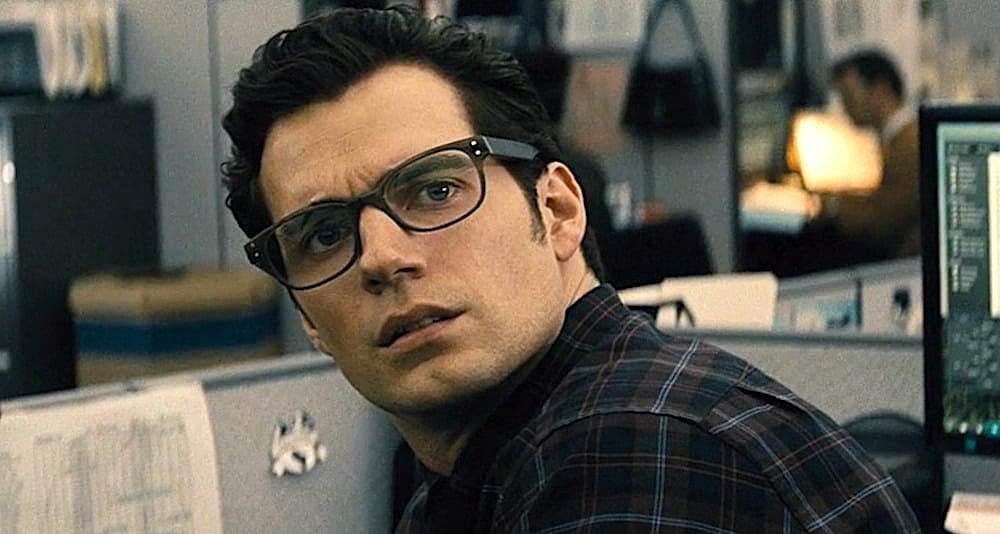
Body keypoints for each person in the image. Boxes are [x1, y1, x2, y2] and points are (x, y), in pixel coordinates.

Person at [222, 6, 921, 532]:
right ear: (308, 317)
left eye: (435, 190)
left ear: (556, 211)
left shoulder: (631, 453)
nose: (381, 256)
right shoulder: (489, 470)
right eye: (323, 235)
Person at [813, 49, 920, 263]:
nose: (845, 108)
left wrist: (834, 206)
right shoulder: (898, 140)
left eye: (849, 97)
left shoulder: (908, 147)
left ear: (880, 90)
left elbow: (882, 223)